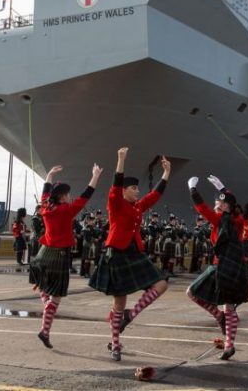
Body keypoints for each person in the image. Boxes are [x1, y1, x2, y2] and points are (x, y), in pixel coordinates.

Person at [89, 147, 171, 362]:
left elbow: (154, 196)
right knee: (118, 303)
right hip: (117, 253)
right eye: (134, 188)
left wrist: (166, 174)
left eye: (137, 188)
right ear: (125, 191)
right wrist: (120, 160)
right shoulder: (115, 203)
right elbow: (115, 185)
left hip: (134, 252)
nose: (138, 191)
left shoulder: (137, 207)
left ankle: (131, 315)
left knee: (161, 284)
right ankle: (115, 344)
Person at [31, 163, 102, 349]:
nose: (70, 197)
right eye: (68, 195)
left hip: (42, 253)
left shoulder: (46, 206)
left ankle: (45, 311)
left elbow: (45, 192)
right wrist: (95, 176)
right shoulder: (66, 210)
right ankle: (44, 330)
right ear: (63, 197)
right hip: (59, 255)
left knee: (42, 285)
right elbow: (86, 195)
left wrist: (49, 176)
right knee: (56, 298)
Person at [187, 176, 248, 360]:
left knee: (193, 293)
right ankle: (226, 336)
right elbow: (209, 208)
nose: (215, 205)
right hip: (234, 268)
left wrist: (193, 190)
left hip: (222, 266)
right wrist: (224, 190)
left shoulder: (225, 220)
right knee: (227, 307)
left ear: (225, 206)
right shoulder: (232, 220)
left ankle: (223, 330)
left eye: (219, 202)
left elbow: (202, 208)